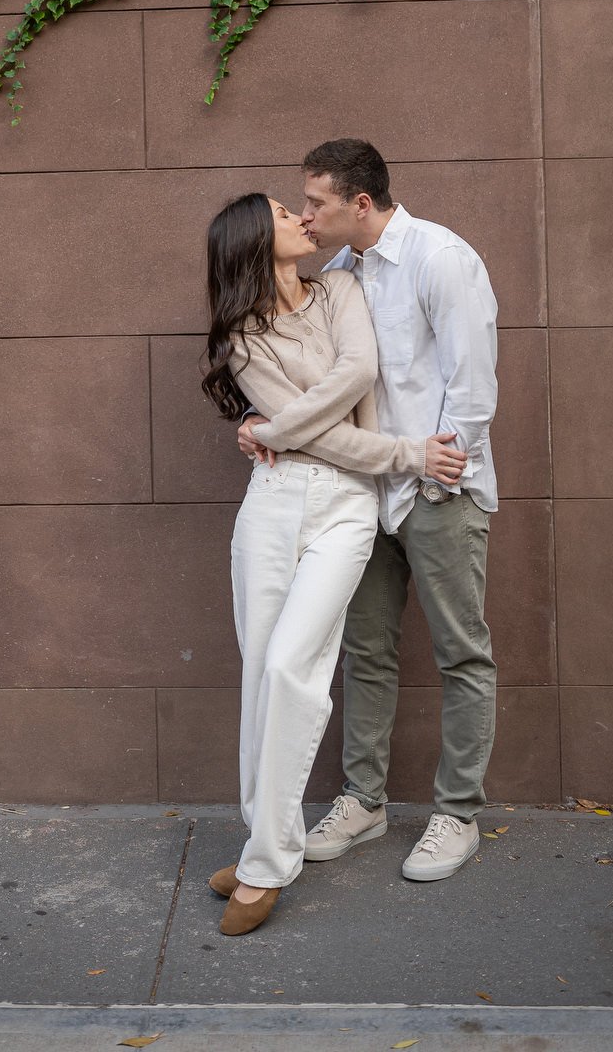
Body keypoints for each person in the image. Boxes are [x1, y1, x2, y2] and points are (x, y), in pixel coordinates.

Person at [202, 191, 466, 936]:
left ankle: (264, 867)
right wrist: (287, 435)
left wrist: (271, 428)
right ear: (256, 240)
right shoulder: (244, 338)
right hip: (271, 502)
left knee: (294, 665)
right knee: (262, 673)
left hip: (346, 507)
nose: (302, 218)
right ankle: (265, 844)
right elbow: (319, 432)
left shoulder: (340, 288)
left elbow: (356, 378)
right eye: (284, 213)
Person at [239, 140, 499, 883]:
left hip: (437, 487)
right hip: (361, 496)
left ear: (359, 203)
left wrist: (441, 475)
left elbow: (472, 385)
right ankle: (364, 801)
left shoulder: (439, 258)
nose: (305, 215)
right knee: (366, 654)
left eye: (314, 202)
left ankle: (458, 814)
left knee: (461, 653)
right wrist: (259, 421)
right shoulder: (339, 276)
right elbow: (317, 384)